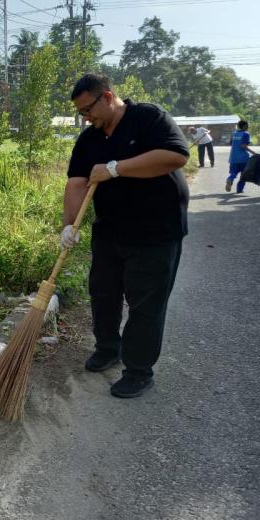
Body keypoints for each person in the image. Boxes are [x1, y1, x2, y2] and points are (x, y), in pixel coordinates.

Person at [61, 74, 189, 398]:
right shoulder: (89, 140)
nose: (85, 117)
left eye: (88, 109)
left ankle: (139, 370)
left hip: (156, 232)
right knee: (103, 294)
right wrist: (68, 225)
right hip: (109, 230)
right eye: (80, 113)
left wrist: (116, 168)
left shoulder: (148, 118)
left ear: (107, 96)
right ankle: (108, 348)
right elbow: (77, 182)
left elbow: (175, 156)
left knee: (145, 303)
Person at [226, 120, 257, 193]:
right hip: (243, 158)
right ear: (244, 126)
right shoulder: (246, 134)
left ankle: (230, 178)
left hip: (233, 158)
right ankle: (239, 189)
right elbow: (243, 146)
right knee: (244, 175)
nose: (248, 127)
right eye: (247, 125)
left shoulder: (234, 133)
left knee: (233, 172)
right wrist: (253, 153)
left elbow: (231, 143)